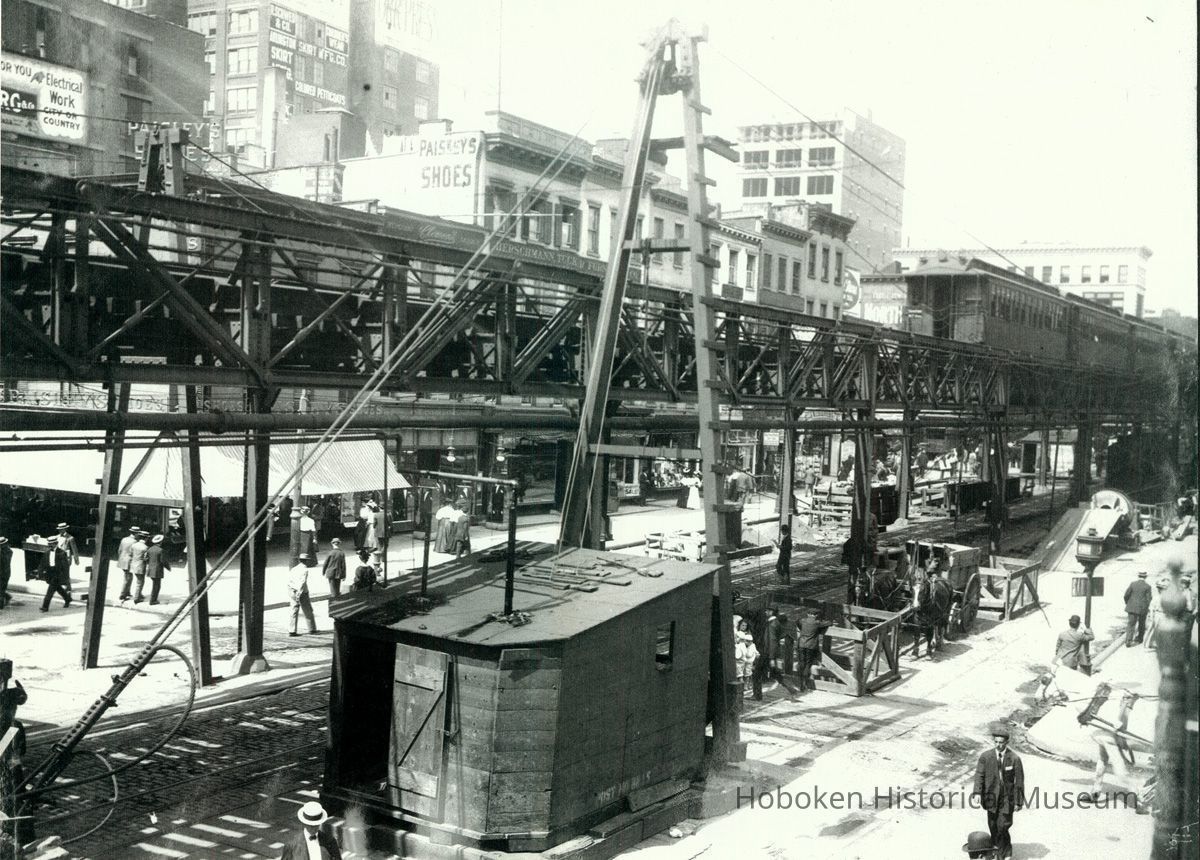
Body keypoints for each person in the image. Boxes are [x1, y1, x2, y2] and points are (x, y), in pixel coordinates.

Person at [972, 723, 1024, 860]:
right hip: (991, 797)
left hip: (1007, 798)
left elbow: (1019, 782)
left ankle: (1001, 855)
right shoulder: (985, 757)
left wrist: (1019, 802)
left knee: (1003, 826)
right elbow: (979, 775)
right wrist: (977, 793)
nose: (998, 745)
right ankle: (1004, 850)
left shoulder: (1014, 758)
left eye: (1001, 742)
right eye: (996, 742)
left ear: (1007, 742)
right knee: (993, 825)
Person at [794, 609, 829, 692]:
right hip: (811, 646)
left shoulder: (802, 621)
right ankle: (804, 684)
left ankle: (799, 683)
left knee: (801, 663)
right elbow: (828, 623)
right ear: (816, 615)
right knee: (808, 664)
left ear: (808, 614)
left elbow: (797, 621)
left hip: (801, 644)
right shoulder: (817, 623)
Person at [40, 536, 72, 613]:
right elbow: (42, 564)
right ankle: (67, 599)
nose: (50, 546)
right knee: (58, 588)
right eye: (49, 544)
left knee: (50, 591)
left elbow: (65, 567)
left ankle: (45, 607)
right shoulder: (46, 553)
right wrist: (40, 573)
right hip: (49, 573)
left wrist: (66, 578)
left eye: (51, 544)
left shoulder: (61, 553)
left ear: (56, 544)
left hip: (57, 574)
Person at [286, 559, 318, 637]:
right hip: (302, 592)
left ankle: (292, 630)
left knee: (294, 610)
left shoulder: (294, 569)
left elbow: (289, 580)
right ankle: (312, 629)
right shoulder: (305, 570)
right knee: (308, 610)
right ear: (306, 561)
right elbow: (302, 582)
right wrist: (299, 593)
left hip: (292, 590)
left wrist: (292, 590)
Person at [1123, 571, 1153, 646]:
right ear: (1145, 577)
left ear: (1138, 576)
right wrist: (1146, 607)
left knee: (1131, 624)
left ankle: (1128, 641)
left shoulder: (1133, 584)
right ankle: (1140, 639)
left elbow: (1126, 595)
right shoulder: (1147, 586)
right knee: (1142, 624)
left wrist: (1128, 603)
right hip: (1142, 608)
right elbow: (1149, 599)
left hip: (1132, 607)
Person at [734, 619, 758, 697]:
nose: (744, 627)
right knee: (739, 669)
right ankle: (740, 686)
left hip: (747, 654)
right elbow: (735, 641)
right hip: (739, 653)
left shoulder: (748, 634)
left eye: (745, 626)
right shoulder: (737, 633)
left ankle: (746, 684)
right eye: (742, 625)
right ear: (739, 625)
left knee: (747, 670)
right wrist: (739, 640)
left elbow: (751, 643)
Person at [144, 534, 170, 605]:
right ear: (160, 542)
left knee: (155, 585)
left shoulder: (150, 549)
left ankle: (153, 599)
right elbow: (163, 561)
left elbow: (146, 558)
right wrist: (168, 568)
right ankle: (153, 600)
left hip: (150, 570)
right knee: (156, 586)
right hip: (157, 570)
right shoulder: (161, 550)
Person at [1144, 578, 1169, 650]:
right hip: (1157, 615)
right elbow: (1151, 608)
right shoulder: (1156, 598)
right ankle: (1146, 645)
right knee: (1152, 630)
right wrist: (1151, 616)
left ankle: (1153, 644)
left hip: (1163, 615)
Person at [116, 526, 139, 601]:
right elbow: (134, 553)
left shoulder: (124, 539)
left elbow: (119, 550)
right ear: (136, 533)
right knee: (127, 578)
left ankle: (127, 592)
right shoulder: (135, 542)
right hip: (129, 561)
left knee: (128, 576)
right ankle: (122, 594)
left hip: (122, 560)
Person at [128, 531, 149, 604]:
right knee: (140, 582)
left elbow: (130, 554)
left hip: (133, 565)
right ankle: (137, 598)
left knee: (138, 581)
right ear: (146, 538)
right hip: (140, 566)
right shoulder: (145, 547)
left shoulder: (134, 545)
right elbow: (146, 558)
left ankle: (139, 594)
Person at [0, 536, 12, 609]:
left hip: (5, 573)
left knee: (1, 588)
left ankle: (1, 605)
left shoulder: (9, 551)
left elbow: (5, 561)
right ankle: (7, 597)